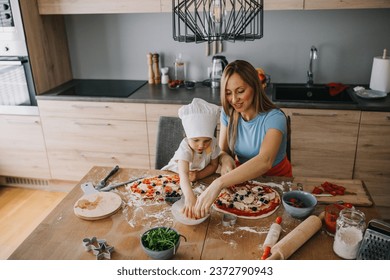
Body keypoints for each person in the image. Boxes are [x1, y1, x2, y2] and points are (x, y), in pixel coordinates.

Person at [194, 60, 292, 218]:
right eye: (228, 93)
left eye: (240, 91)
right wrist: (225, 159)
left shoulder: (275, 117)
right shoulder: (228, 113)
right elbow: (222, 150)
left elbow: (265, 161)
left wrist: (218, 183)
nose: (234, 99)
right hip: (240, 179)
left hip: (276, 181)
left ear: (255, 87)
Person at [162, 98, 221, 218]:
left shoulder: (212, 144)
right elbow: (183, 175)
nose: (201, 146)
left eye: (206, 141)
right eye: (196, 140)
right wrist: (190, 197)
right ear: (187, 136)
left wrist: (198, 176)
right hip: (175, 175)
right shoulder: (185, 147)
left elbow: (214, 166)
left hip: (196, 177)